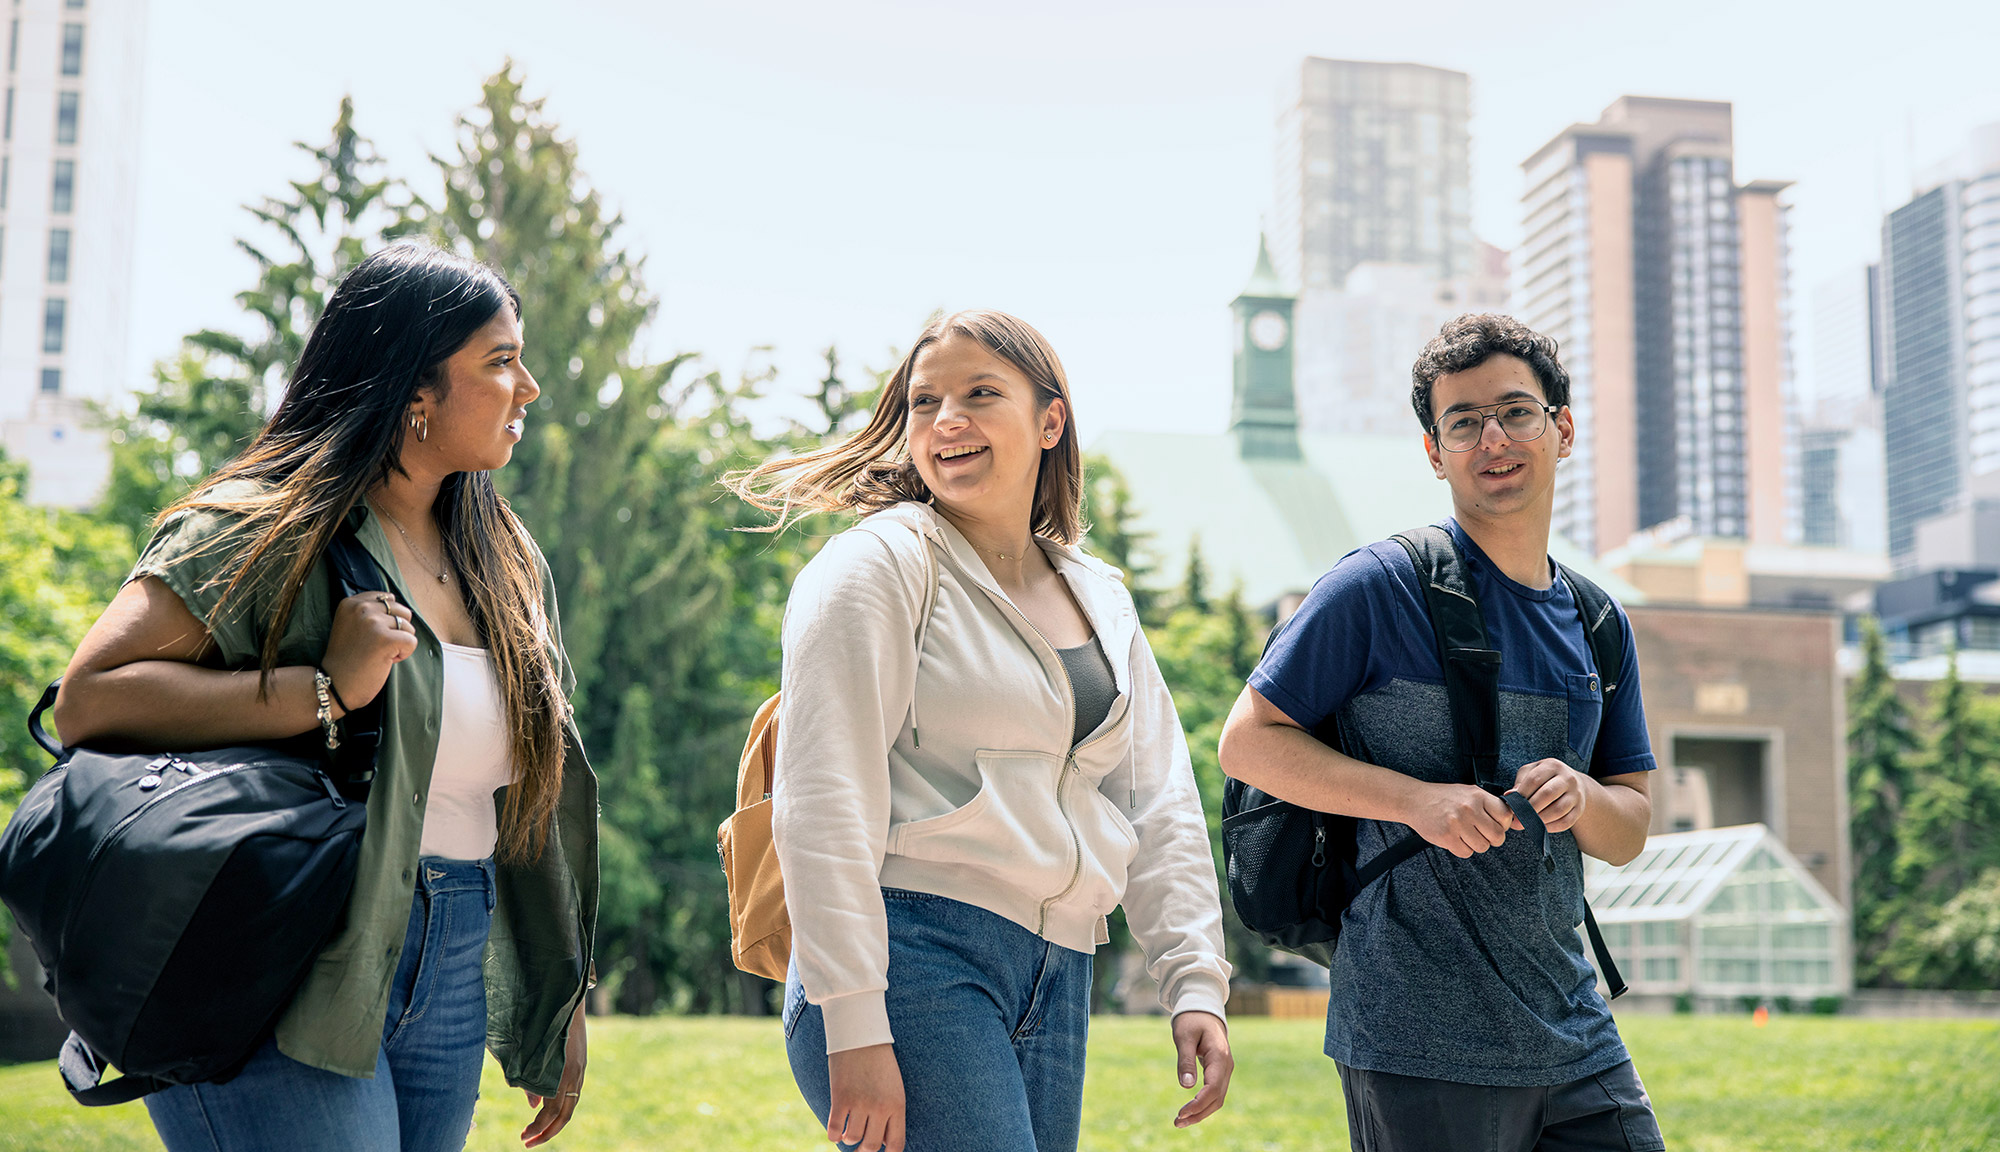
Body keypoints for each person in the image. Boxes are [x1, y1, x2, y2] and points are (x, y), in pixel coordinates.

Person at [52, 243, 597, 1152]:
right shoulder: (265, 528)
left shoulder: (501, 556)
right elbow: (90, 698)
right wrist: (323, 690)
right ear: (415, 390)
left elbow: (524, 795)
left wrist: (558, 995)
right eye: (501, 361)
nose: (528, 387)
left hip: (451, 948)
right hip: (280, 945)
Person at [726, 310, 1233, 1152]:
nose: (947, 420)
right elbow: (823, 799)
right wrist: (855, 1024)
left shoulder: (1098, 594)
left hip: (1059, 969)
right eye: (926, 402)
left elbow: (1157, 798)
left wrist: (1194, 981)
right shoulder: (877, 566)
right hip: (911, 954)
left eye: (980, 393)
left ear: (1050, 420)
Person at [1217, 314, 1666, 1152]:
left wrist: (1584, 796)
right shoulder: (1376, 587)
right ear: (1434, 453)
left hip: (1573, 1027)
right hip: (1414, 1034)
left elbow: (1631, 826)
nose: (1492, 437)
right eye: (1463, 422)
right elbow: (1247, 742)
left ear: (1562, 429)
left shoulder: (1598, 621)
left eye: (1516, 412)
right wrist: (1418, 802)